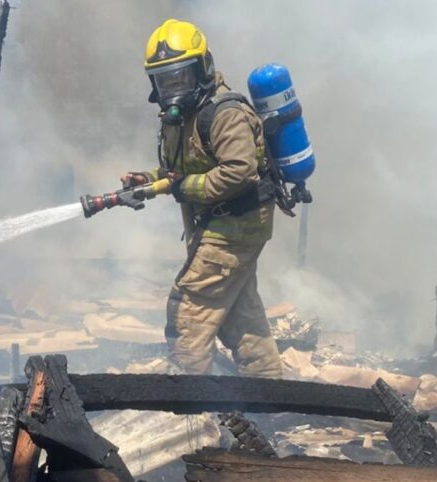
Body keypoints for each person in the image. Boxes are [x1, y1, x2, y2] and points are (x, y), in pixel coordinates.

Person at [122, 19, 282, 378]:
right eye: (164, 80)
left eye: (180, 77)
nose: (172, 88)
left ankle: (192, 415)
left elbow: (239, 171)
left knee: (189, 311)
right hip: (220, 226)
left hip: (235, 226)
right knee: (242, 319)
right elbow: (181, 170)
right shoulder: (180, 118)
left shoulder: (225, 114)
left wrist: (183, 188)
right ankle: (274, 399)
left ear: (203, 69)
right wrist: (146, 180)